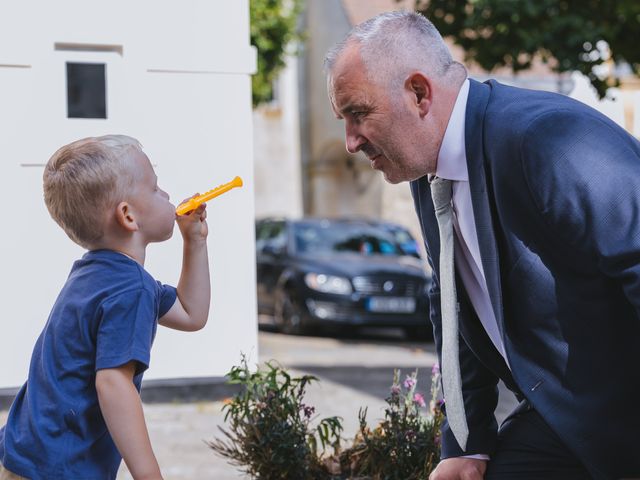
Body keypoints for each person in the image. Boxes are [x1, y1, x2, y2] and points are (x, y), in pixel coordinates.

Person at [324, 11, 640, 480]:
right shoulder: (425, 170)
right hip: (562, 420)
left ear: (418, 93)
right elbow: (452, 301)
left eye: (358, 113)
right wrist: (466, 444)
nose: (349, 141)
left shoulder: (548, 141)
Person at [0, 135, 211, 480]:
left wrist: (196, 242)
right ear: (128, 216)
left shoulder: (95, 274)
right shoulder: (130, 287)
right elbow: (113, 383)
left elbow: (191, 313)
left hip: (26, 454)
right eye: (156, 189)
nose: (168, 196)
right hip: (61, 469)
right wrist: (150, 475)